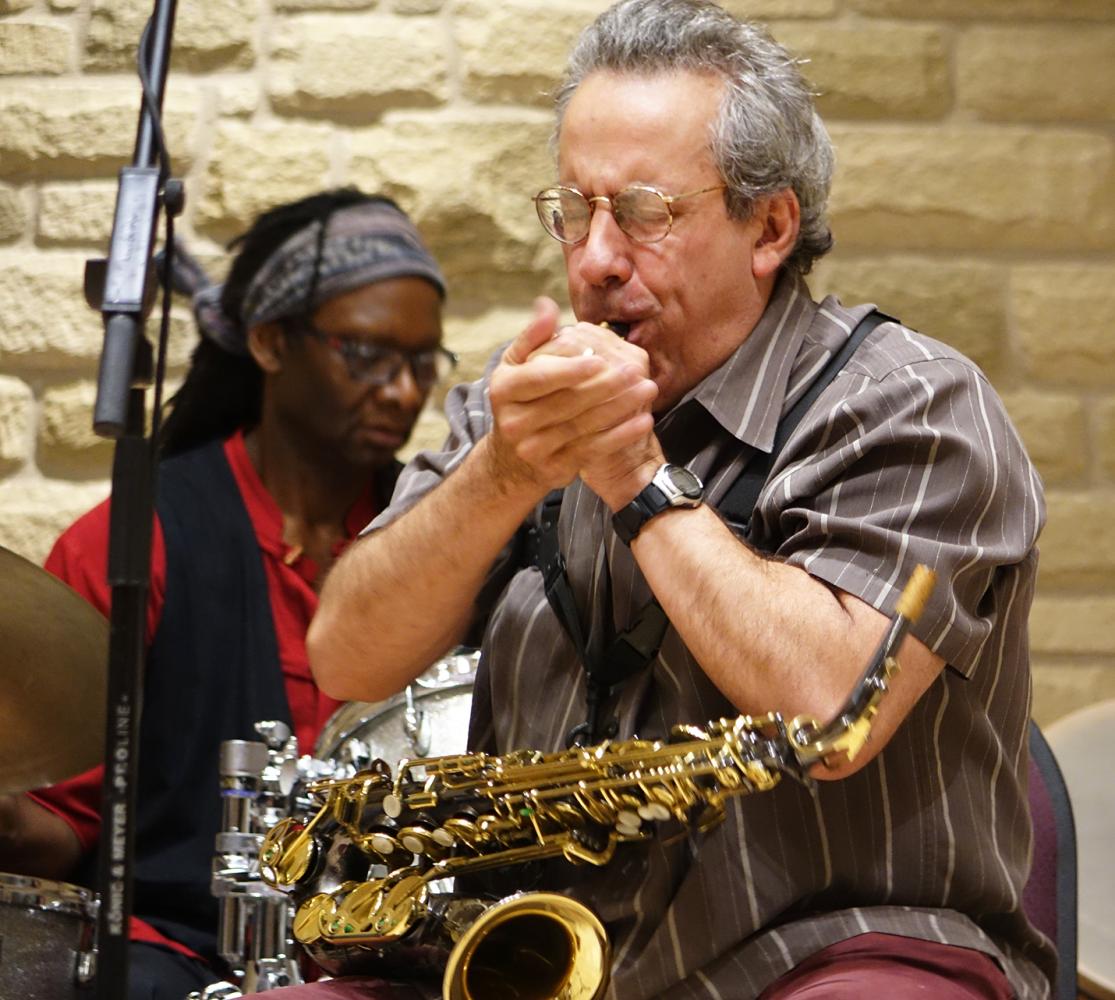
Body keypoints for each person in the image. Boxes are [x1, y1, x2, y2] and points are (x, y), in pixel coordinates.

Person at [293, 2, 1054, 998]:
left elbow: (828, 710)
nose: (595, 258)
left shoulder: (909, 402)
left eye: (644, 212)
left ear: (768, 225)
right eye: (573, 209)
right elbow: (346, 654)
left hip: (838, 946)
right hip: (525, 949)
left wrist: (631, 472)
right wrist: (503, 474)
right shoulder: (514, 404)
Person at [0, 188, 452, 999]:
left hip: (386, 970)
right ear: (271, 343)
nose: (400, 390)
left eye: (423, 363)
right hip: (171, 964)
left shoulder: (434, 543)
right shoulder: (134, 543)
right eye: (366, 353)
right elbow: (67, 831)